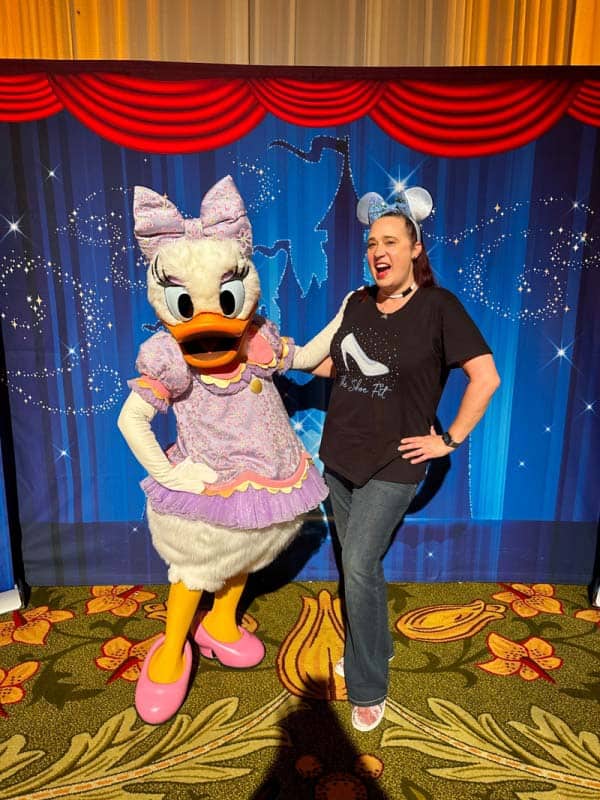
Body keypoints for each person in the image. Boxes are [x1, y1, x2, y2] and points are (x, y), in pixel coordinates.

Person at [292, 184, 500, 732]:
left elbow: (486, 376)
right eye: (370, 242)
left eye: (389, 240)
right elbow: (336, 366)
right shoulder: (357, 303)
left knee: (358, 564)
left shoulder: (439, 307)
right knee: (360, 565)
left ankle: (367, 685)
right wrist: (282, 356)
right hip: (338, 455)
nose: (377, 250)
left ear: (414, 250)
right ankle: (374, 648)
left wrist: (448, 439)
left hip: (395, 461)